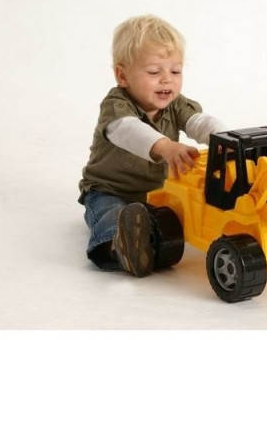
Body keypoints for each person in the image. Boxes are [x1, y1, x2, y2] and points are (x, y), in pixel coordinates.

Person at [78, 15, 226, 277]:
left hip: (158, 193)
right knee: (112, 214)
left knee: (182, 214)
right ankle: (118, 247)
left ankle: (149, 242)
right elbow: (128, 131)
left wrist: (226, 139)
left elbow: (199, 122)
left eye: (175, 71)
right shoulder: (116, 106)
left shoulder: (176, 104)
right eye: (154, 72)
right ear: (123, 75)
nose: (167, 80)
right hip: (111, 190)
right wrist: (166, 146)